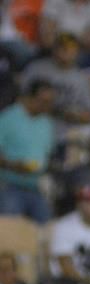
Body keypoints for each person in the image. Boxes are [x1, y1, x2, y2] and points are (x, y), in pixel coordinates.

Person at [0, 79, 56, 223]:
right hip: (9, 186)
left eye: (50, 102)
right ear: (30, 98)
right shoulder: (8, 118)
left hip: (36, 187)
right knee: (10, 228)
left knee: (46, 228)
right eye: (43, 101)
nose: (47, 106)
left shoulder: (47, 123)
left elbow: (47, 154)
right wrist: (13, 165)